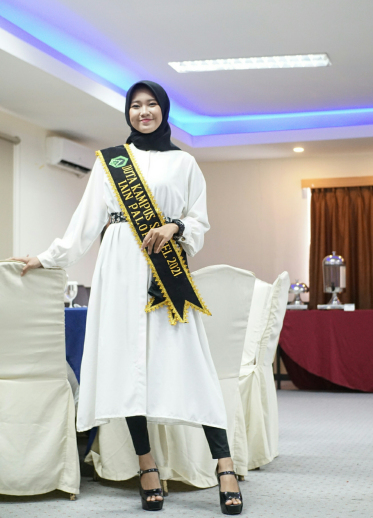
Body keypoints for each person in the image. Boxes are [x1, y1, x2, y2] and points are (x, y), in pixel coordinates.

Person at [10, 80, 243, 514]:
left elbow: (199, 221)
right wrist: (46, 257)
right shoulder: (111, 162)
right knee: (129, 367)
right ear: (128, 113)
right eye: (136, 105)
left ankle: (224, 464)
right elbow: (83, 225)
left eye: (151, 104)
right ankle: (145, 464)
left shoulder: (185, 163)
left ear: (164, 110)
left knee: (193, 365)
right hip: (119, 267)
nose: (143, 112)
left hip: (164, 271)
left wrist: (175, 227)